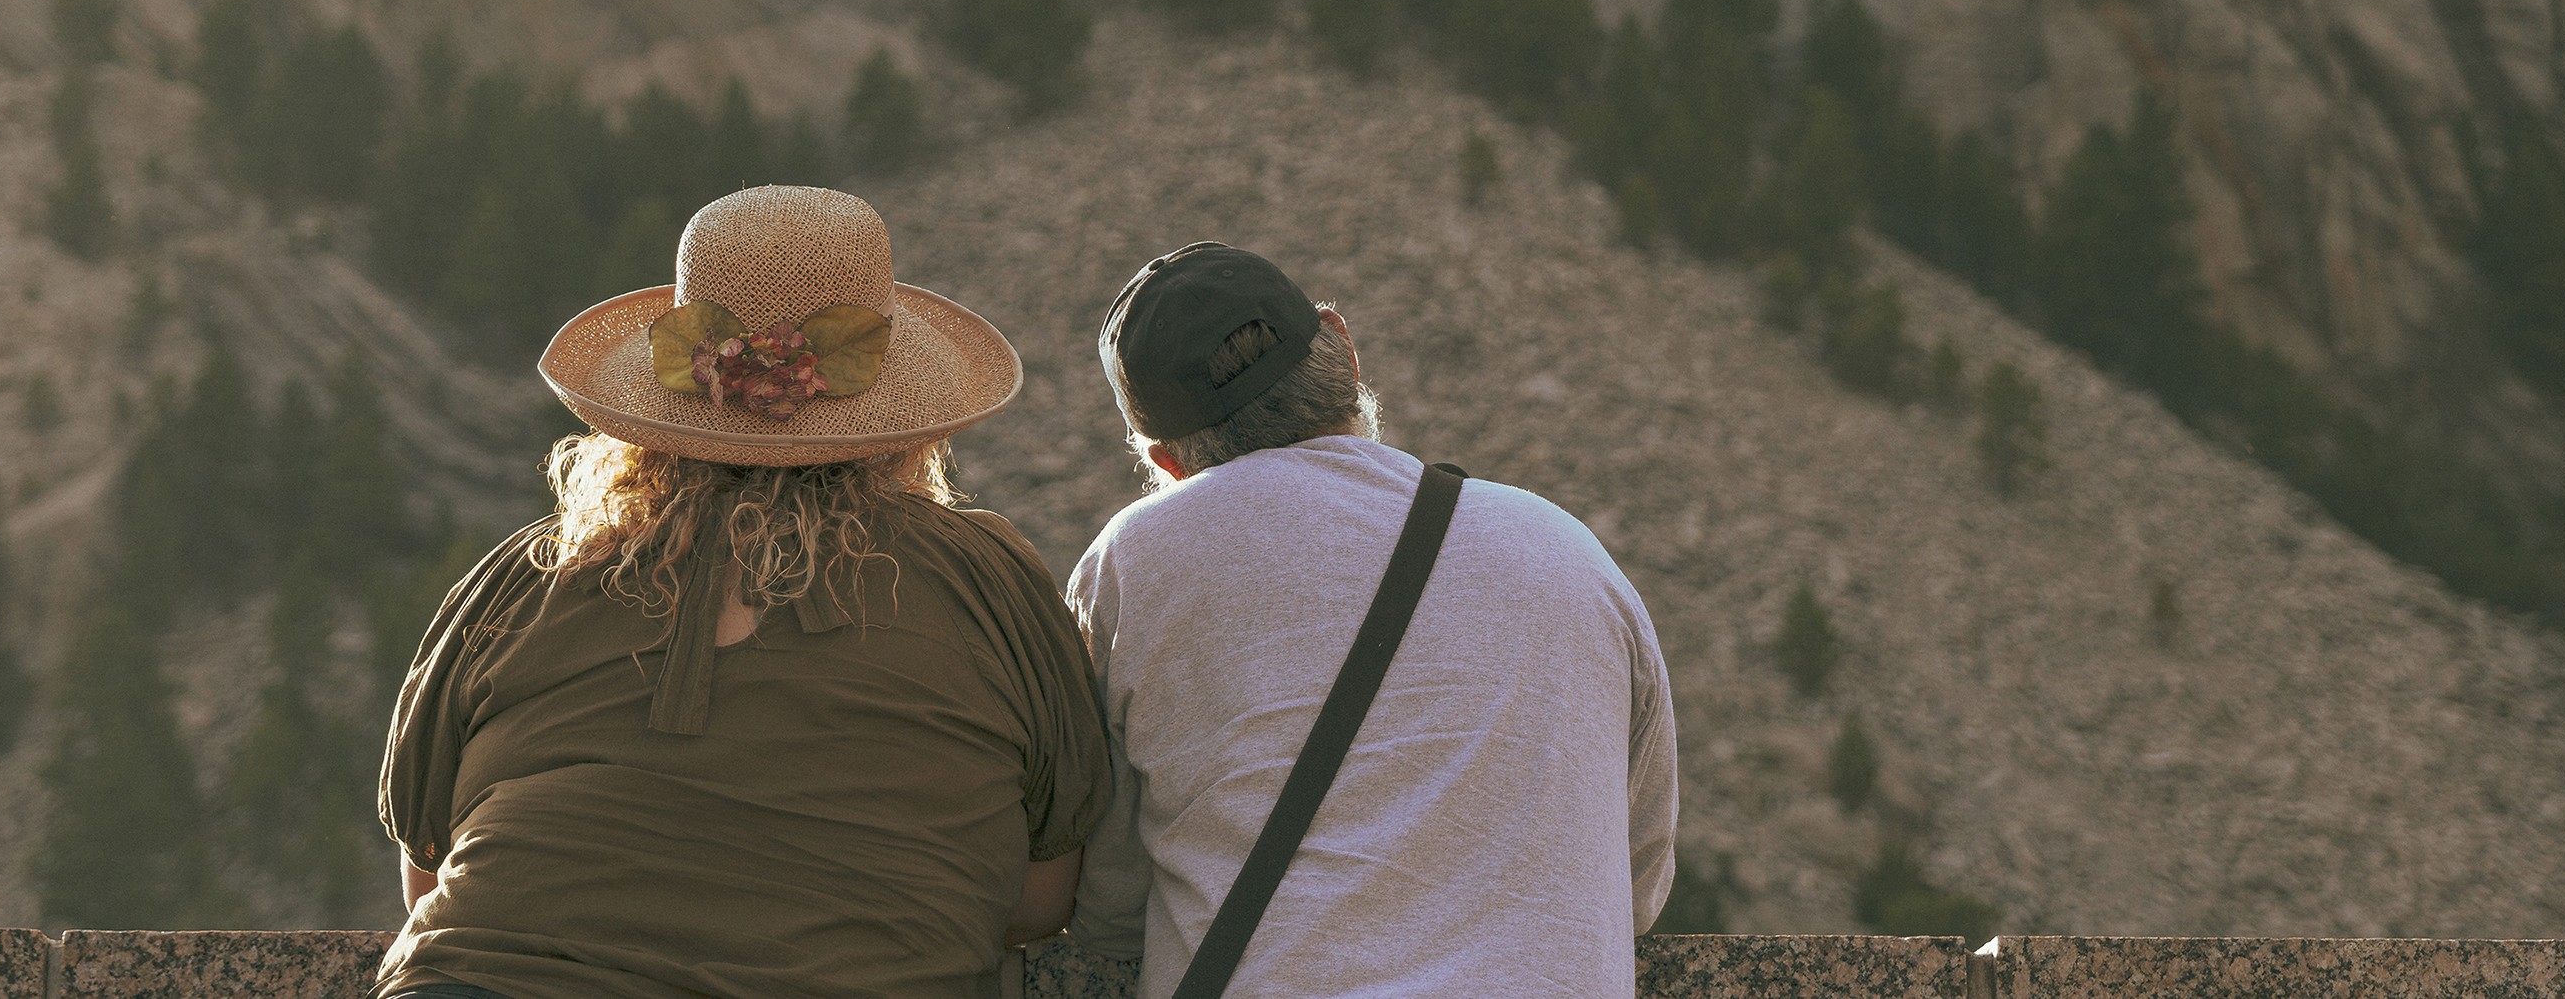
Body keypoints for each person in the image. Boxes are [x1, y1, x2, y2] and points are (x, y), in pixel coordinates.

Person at [376, 185, 1106, 999]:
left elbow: (427, 876)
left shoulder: (530, 572)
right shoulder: (987, 582)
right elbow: (1042, 897)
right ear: (902, 418)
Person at [1066, 242, 1678, 996]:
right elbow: (1637, 879)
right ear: (1343, 350)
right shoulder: (1568, 551)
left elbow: (1107, 903)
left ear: (1166, 462)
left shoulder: (1132, 564)